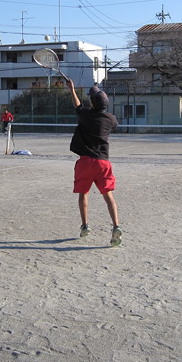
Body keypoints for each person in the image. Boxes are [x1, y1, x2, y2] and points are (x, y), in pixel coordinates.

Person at [66, 81, 122, 246]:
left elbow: (77, 105)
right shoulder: (111, 119)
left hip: (85, 162)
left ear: (92, 103)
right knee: (108, 196)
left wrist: (71, 89)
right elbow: (96, 110)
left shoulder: (86, 115)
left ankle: (85, 226)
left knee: (83, 194)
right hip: (103, 163)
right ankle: (116, 226)